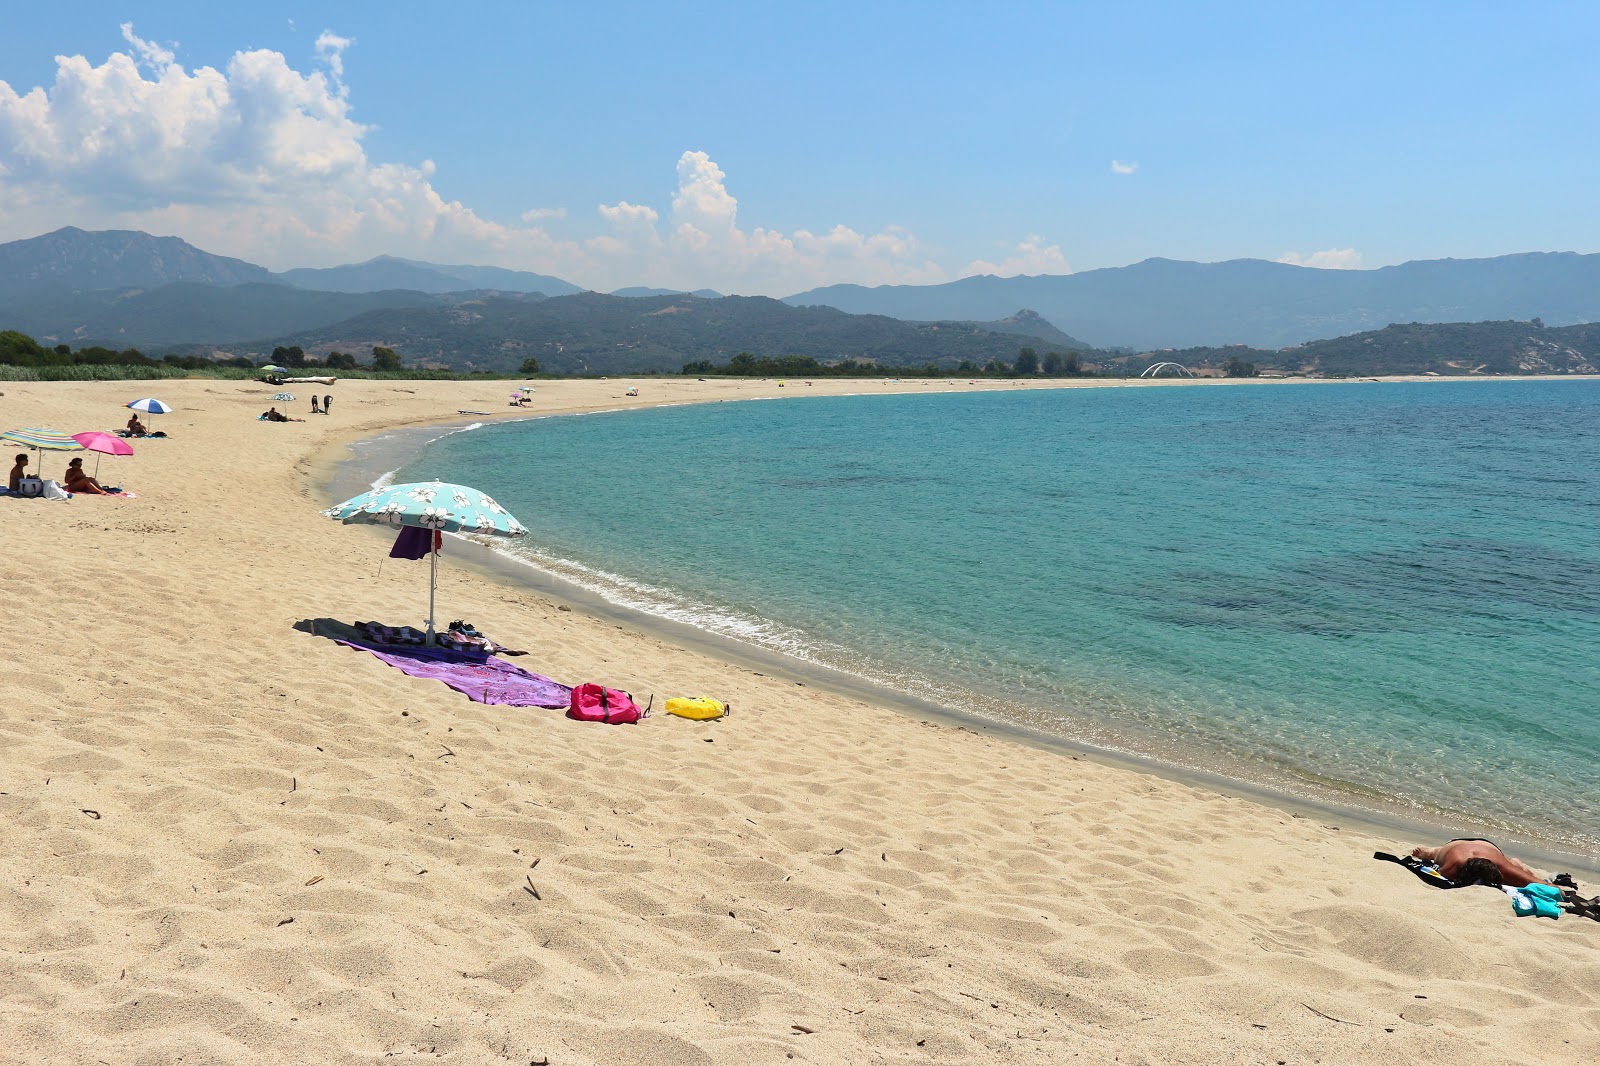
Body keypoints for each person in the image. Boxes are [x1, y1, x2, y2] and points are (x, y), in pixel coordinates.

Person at [1411, 838, 1548, 888]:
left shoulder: (1501, 866)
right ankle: (1430, 852)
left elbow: (1541, 884)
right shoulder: (1453, 867)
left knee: (1515, 871)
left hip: (1488, 848)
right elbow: (1436, 874)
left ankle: (1516, 864)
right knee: (1438, 855)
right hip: (1455, 846)